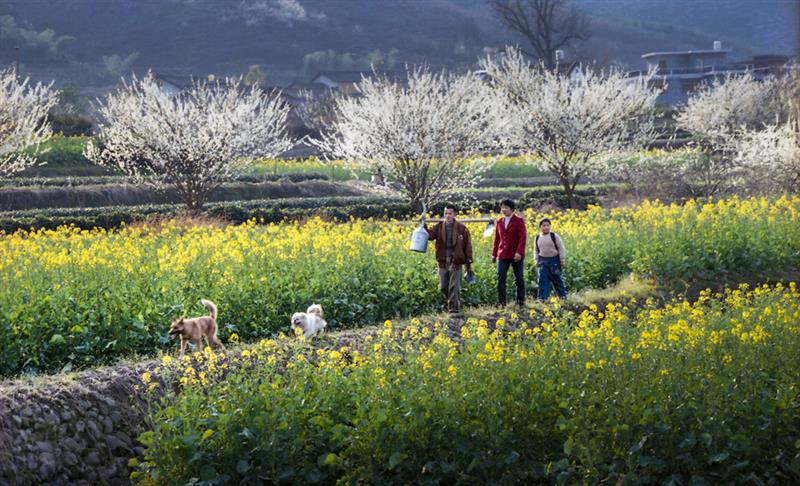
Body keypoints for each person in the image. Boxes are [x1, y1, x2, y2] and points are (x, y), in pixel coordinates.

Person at [425, 203, 473, 316]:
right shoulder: (439, 226)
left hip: (456, 260)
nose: (447, 215)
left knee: (454, 286)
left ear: (454, 214)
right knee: (443, 287)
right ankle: (457, 301)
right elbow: (429, 236)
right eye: (446, 213)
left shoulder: (462, 228)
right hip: (442, 260)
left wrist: (468, 262)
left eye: (450, 213)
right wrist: (423, 224)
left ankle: (454, 310)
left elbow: (468, 246)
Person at [492, 199, 527, 307]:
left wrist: (519, 252)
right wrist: (494, 254)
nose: (504, 210)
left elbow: (523, 237)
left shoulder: (519, 220)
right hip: (502, 254)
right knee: (500, 277)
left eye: (506, 208)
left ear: (512, 209)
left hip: (516, 254)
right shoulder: (499, 221)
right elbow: (497, 239)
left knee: (519, 278)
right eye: (502, 207)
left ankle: (520, 301)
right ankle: (502, 302)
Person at [534, 218, 567, 299]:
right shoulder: (537, 237)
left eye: (548, 225)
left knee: (557, 280)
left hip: (554, 261)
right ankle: (542, 299)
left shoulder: (554, 236)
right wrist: (536, 259)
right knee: (542, 281)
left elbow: (561, 248)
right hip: (542, 262)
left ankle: (562, 296)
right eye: (543, 226)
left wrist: (562, 260)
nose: (546, 227)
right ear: (540, 227)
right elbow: (535, 250)